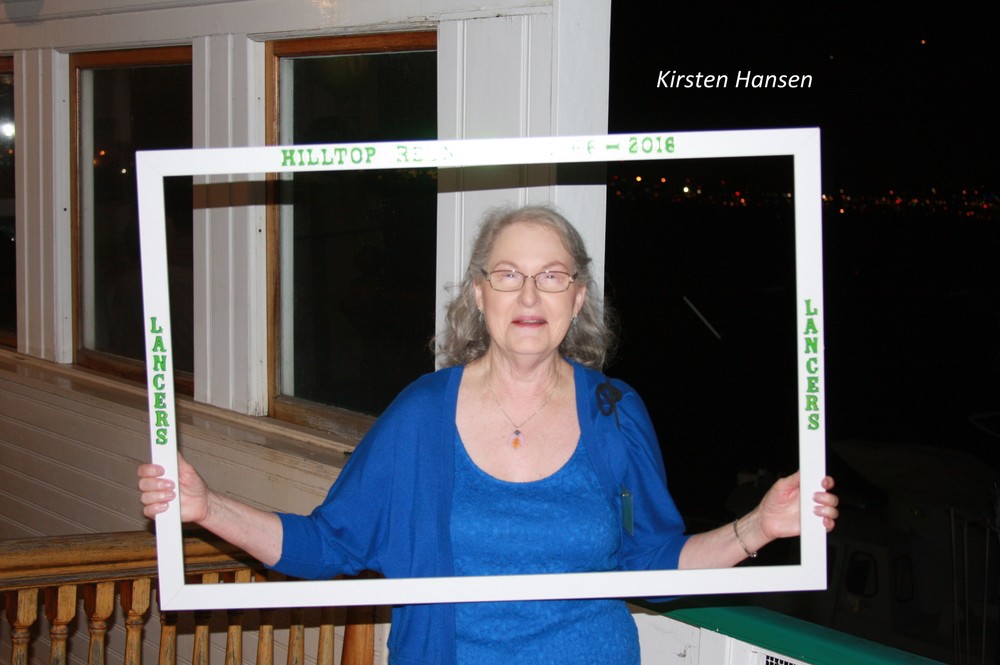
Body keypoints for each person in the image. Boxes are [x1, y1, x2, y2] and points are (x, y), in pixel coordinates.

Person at [139, 205, 838, 665]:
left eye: (551, 276)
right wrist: (206, 506)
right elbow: (328, 546)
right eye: (508, 275)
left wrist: (760, 526)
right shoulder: (420, 416)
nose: (529, 296)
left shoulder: (615, 413)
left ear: (578, 297)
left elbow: (656, 563)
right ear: (478, 294)